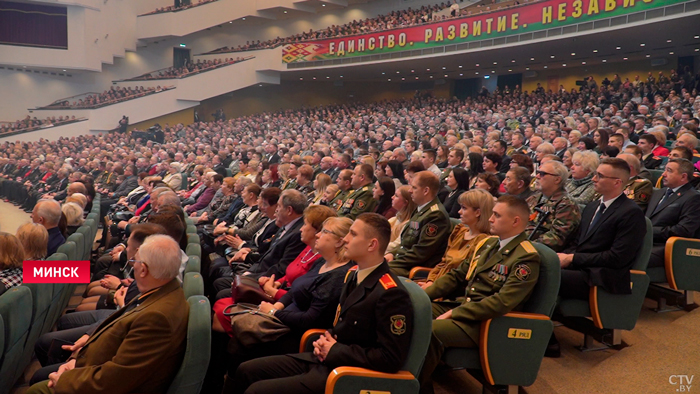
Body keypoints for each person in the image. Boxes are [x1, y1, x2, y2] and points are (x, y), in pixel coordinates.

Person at [231, 213, 414, 394]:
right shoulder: (354, 275)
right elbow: (344, 326)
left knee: (257, 390)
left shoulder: (391, 293)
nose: (346, 239)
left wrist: (335, 350)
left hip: (346, 374)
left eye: (353, 234)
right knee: (246, 371)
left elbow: (390, 358)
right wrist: (326, 339)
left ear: (372, 244)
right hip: (325, 358)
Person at [26, 234, 189, 394]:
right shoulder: (162, 289)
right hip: (95, 362)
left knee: (37, 386)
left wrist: (66, 379)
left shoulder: (158, 318)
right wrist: (78, 357)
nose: (133, 266)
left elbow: (118, 378)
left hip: (101, 378)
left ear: (144, 270)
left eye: (134, 262)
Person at [419, 196, 540, 393]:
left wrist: (456, 313)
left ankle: (417, 387)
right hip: (466, 308)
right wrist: (423, 296)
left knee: (432, 330)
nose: (490, 219)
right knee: (416, 311)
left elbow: (501, 302)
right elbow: (457, 276)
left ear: (515, 221)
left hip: (487, 323)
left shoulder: (526, 257)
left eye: (497, 215)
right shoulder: (489, 244)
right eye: (492, 213)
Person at [217, 217, 353, 393]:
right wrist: (278, 307)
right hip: (284, 318)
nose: (318, 235)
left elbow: (309, 319)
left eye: (325, 232)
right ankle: (219, 381)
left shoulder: (338, 276)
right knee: (238, 339)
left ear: (339, 242)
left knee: (241, 346)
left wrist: (274, 311)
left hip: (298, 334)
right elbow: (293, 291)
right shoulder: (322, 262)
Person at [419, 189, 494, 288]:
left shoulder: (484, 241)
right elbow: (443, 262)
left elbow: (462, 277)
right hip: (436, 282)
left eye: (464, 208)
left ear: (477, 213)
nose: (459, 211)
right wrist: (430, 281)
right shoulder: (460, 231)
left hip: (450, 289)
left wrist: (432, 287)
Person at [386, 171, 451, 277]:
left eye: (414, 188)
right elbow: (406, 243)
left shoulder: (436, 215)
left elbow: (420, 253)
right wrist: (392, 254)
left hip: (414, 268)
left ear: (426, 191)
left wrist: (393, 263)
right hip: (403, 261)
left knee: (374, 271)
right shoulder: (421, 209)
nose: (410, 191)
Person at [645, 158, 700, 269]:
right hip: (645, 241)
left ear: (683, 176)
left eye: (669, 171)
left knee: (626, 257)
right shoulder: (658, 192)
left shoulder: (693, 197)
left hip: (666, 246)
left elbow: (683, 230)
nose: (664, 174)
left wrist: (650, 231)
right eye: (665, 170)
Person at [526, 161, 581, 252]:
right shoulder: (533, 198)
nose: (537, 176)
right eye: (538, 173)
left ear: (557, 180)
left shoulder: (566, 204)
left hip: (541, 253)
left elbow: (556, 239)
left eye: (542, 174)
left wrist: (525, 245)